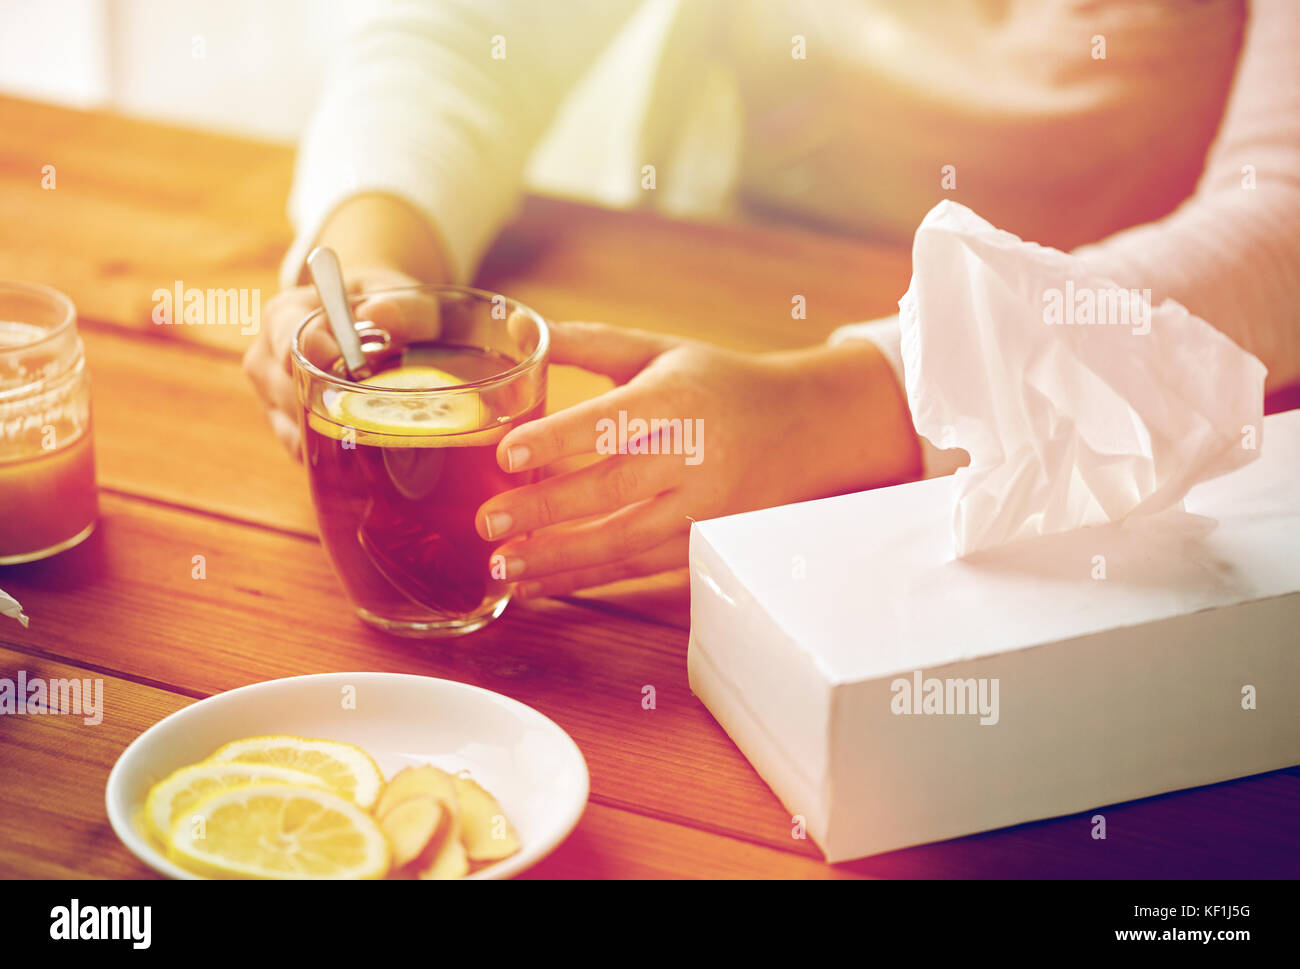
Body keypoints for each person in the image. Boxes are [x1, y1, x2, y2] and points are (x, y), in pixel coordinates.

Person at [245, 0, 1300, 600]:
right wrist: (367, 251)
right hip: (721, 299)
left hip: (1118, 422)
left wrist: (835, 408)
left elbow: (1280, 222)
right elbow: (473, 30)